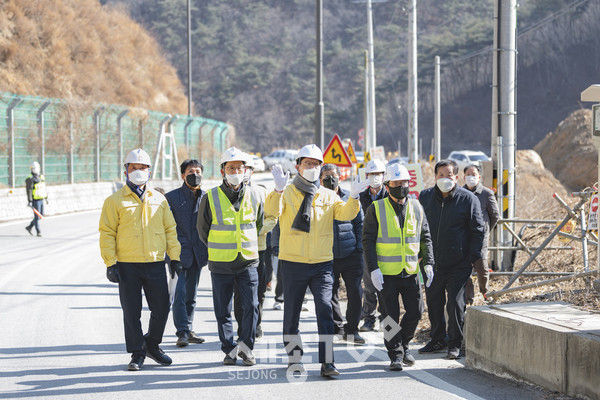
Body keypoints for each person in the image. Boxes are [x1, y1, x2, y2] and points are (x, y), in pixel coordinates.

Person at [265, 144, 367, 377]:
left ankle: (327, 362)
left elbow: (346, 214)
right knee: (291, 315)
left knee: (324, 310)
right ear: (298, 165)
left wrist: (353, 197)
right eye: (307, 163)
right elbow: (271, 213)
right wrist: (278, 191)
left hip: (321, 265)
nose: (312, 167)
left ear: (321, 167)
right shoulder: (287, 192)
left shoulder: (329, 195)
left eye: (316, 164)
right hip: (293, 263)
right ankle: (294, 358)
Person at [99, 148, 180, 371]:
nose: (138, 172)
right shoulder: (114, 201)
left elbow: (170, 230)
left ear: (149, 172)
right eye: (133, 168)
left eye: (142, 168)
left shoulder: (160, 200)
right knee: (131, 312)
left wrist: (174, 257)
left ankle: (152, 344)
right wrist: (110, 263)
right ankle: (137, 353)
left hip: (154, 263)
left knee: (162, 308)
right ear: (125, 171)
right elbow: (107, 233)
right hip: (127, 265)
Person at [363, 163, 435, 371]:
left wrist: (429, 263)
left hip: (410, 270)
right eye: (396, 183)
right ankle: (395, 354)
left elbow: (425, 237)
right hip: (385, 273)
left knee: (416, 311)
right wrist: (373, 269)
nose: (401, 186)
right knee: (389, 316)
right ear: (388, 185)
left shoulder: (417, 207)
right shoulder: (376, 208)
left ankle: (403, 344)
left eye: (404, 182)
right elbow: (367, 241)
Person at [197, 147, 263, 366]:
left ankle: (246, 348)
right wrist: (220, 247)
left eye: (239, 167)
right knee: (222, 309)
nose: (236, 171)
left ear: (245, 170)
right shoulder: (210, 197)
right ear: (222, 170)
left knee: (251, 307)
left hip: (248, 260)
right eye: (231, 167)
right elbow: (203, 229)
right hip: (221, 262)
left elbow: (259, 223)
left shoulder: (254, 194)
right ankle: (229, 348)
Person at [418, 159, 485, 359]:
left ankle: (455, 344)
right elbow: (419, 226)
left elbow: (478, 230)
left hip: (459, 263)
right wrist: (422, 255)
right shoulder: (425, 197)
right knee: (434, 301)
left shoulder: (468, 199)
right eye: (441, 175)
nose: (445, 178)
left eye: (449, 175)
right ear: (435, 176)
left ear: (456, 177)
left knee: (455, 304)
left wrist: (471, 258)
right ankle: (438, 338)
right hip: (432, 263)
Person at [319, 164, 365, 344]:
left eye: (333, 176)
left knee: (355, 292)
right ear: (320, 179)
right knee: (330, 294)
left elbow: (360, 224)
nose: (330, 179)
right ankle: (337, 327)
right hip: (327, 256)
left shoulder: (350, 197)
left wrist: (360, 248)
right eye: (326, 176)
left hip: (351, 254)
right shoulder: (317, 198)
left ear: (340, 177)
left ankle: (352, 329)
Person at [165, 159, 209, 347]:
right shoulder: (171, 198)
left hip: (198, 254)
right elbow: (166, 227)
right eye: (191, 171)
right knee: (180, 293)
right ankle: (181, 331)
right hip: (178, 254)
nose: (195, 174)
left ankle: (188, 328)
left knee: (192, 294)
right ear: (183, 175)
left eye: (198, 171)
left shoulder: (207, 197)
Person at [233, 155, 277, 339]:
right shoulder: (228, 192)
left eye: (248, 168)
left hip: (258, 248)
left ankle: (255, 323)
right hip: (235, 250)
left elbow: (271, 218)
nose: (244, 172)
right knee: (238, 293)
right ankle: (242, 325)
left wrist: (256, 231)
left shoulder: (261, 192)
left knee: (258, 291)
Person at [358, 159, 388, 332]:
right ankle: (369, 318)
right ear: (366, 176)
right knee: (369, 286)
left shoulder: (390, 195)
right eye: (372, 174)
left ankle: (385, 317)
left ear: (384, 176)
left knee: (385, 285)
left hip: (386, 247)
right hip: (367, 247)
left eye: (378, 174)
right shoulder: (361, 196)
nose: (375, 177)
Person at [463, 164, 500, 304]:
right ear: (463, 176)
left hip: (479, 239)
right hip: (463, 238)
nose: (471, 177)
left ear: (479, 177)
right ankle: (468, 299)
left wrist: (485, 230)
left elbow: (495, 215)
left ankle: (485, 292)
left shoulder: (486, 193)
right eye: (468, 174)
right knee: (465, 270)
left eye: (474, 174)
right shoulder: (459, 192)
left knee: (482, 267)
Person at [25, 161, 48, 237]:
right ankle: (38, 231)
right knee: (37, 216)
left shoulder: (41, 177)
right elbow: (29, 190)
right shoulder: (30, 178)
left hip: (41, 199)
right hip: (35, 200)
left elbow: (43, 188)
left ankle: (30, 226)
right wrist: (30, 201)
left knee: (41, 215)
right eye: (32, 168)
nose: (34, 170)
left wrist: (46, 197)